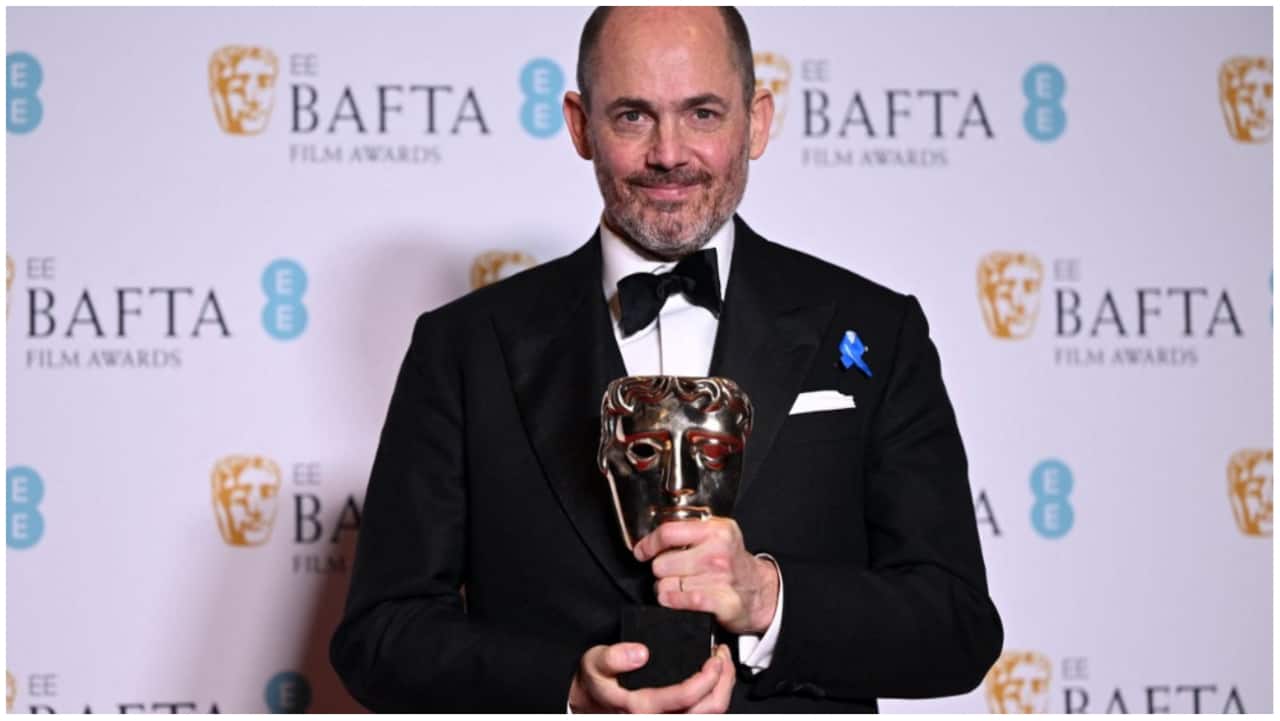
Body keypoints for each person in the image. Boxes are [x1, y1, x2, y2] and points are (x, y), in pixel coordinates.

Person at [330, 6, 1002, 713]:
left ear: (758, 120)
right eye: (632, 117)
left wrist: (770, 599)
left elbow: (956, 625)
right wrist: (561, 690)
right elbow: (381, 636)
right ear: (581, 126)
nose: (670, 153)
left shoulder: (875, 327)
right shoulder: (464, 345)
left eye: (704, 113)